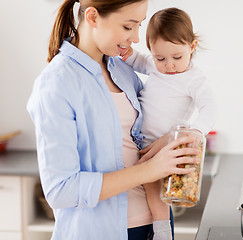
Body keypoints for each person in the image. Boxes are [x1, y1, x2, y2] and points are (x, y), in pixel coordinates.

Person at [26, 1, 200, 240]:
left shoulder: (121, 70)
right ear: (93, 17)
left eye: (139, 25)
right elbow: (60, 190)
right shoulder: (56, 83)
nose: (137, 38)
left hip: (156, 225)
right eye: (129, 26)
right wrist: (148, 170)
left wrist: (167, 141)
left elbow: (144, 132)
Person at [121, 7, 217, 239]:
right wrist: (126, 52)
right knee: (145, 180)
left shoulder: (194, 79)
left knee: (154, 184)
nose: (169, 65)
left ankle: (162, 229)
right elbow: (137, 60)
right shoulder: (154, 65)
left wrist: (195, 131)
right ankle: (161, 225)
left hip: (167, 143)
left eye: (177, 57)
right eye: (160, 58)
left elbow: (210, 108)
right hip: (141, 139)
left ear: (191, 47)